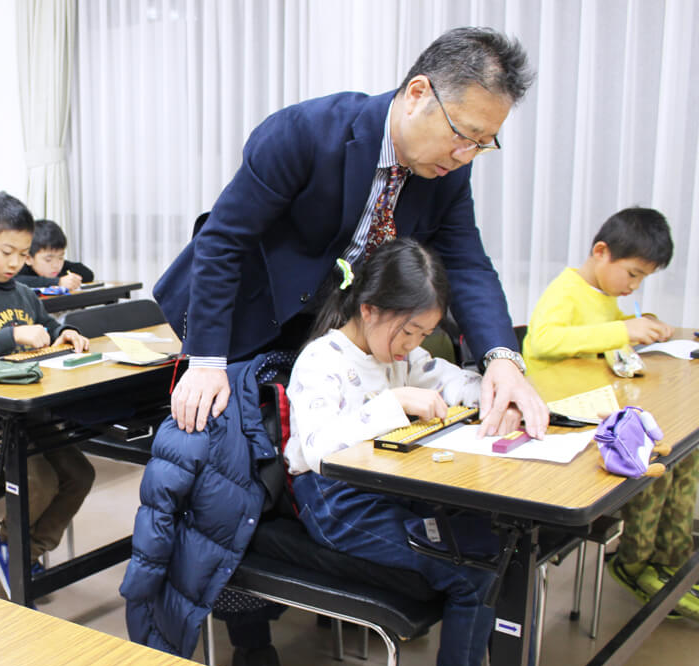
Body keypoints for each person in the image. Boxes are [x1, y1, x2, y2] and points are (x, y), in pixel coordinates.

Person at [282, 238, 582, 666]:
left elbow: (447, 378)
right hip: (336, 504)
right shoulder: (322, 361)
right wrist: (392, 406)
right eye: (408, 331)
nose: (414, 345)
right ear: (368, 308)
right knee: (476, 570)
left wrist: (498, 385)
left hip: (393, 490)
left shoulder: (401, 355)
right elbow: (320, 448)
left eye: (424, 334)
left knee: (506, 550)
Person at [153, 27, 546, 442]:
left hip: (330, 332)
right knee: (236, 448)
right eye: (463, 135)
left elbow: (468, 265)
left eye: (483, 144)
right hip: (249, 313)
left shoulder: (447, 173)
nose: (465, 155)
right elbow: (224, 241)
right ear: (417, 94)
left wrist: (502, 359)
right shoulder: (306, 132)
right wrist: (206, 360)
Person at [523, 207, 698, 619]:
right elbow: (542, 341)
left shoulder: (601, 296)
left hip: (595, 408)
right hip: (562, 419)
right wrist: (623, 330)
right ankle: (634, 562)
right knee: (659, 457)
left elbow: (602, 332)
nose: (634, 285)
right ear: (601, 252)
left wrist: (642, 324)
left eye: (642, 279)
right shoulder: (566, 288)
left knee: (686, 453)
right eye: (633, 274)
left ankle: (668, 558)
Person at [0, 192, 94, 597]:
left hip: (30, 416)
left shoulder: (24, 294)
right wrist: (12, 335)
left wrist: (66, 333)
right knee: (38, 479)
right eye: (7, 251)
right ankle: (14, 547)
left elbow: (47, 325)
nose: (15, 263)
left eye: (23, 254)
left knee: (81, 474)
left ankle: (25, 551)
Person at [15, 219, 95, 292]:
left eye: (60, 257)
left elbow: (88, 274)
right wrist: (58, 282)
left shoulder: (59, 266)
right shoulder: (17, 268)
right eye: (48, 260)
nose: (56, 265)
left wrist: (70, 280)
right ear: (28, 259)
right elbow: (14, 281)